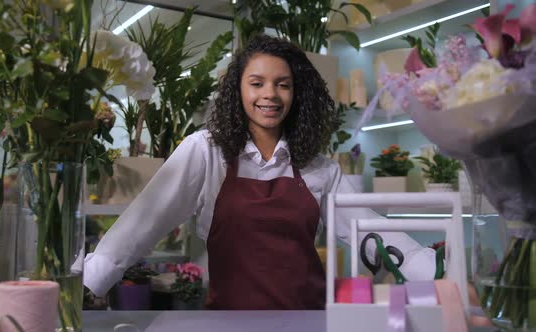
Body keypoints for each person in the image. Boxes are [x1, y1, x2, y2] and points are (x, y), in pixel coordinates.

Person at [83, 34, 437, 310]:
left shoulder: (316, 166)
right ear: (238, 89)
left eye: (283, 84)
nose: (271, 94)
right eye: (257, 83)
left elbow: (368, 229)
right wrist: (84, 286)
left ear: (297, 93)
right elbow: (145, 220)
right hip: (230, 321)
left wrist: (434, 274)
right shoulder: (206, 151)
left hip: (308, 319)